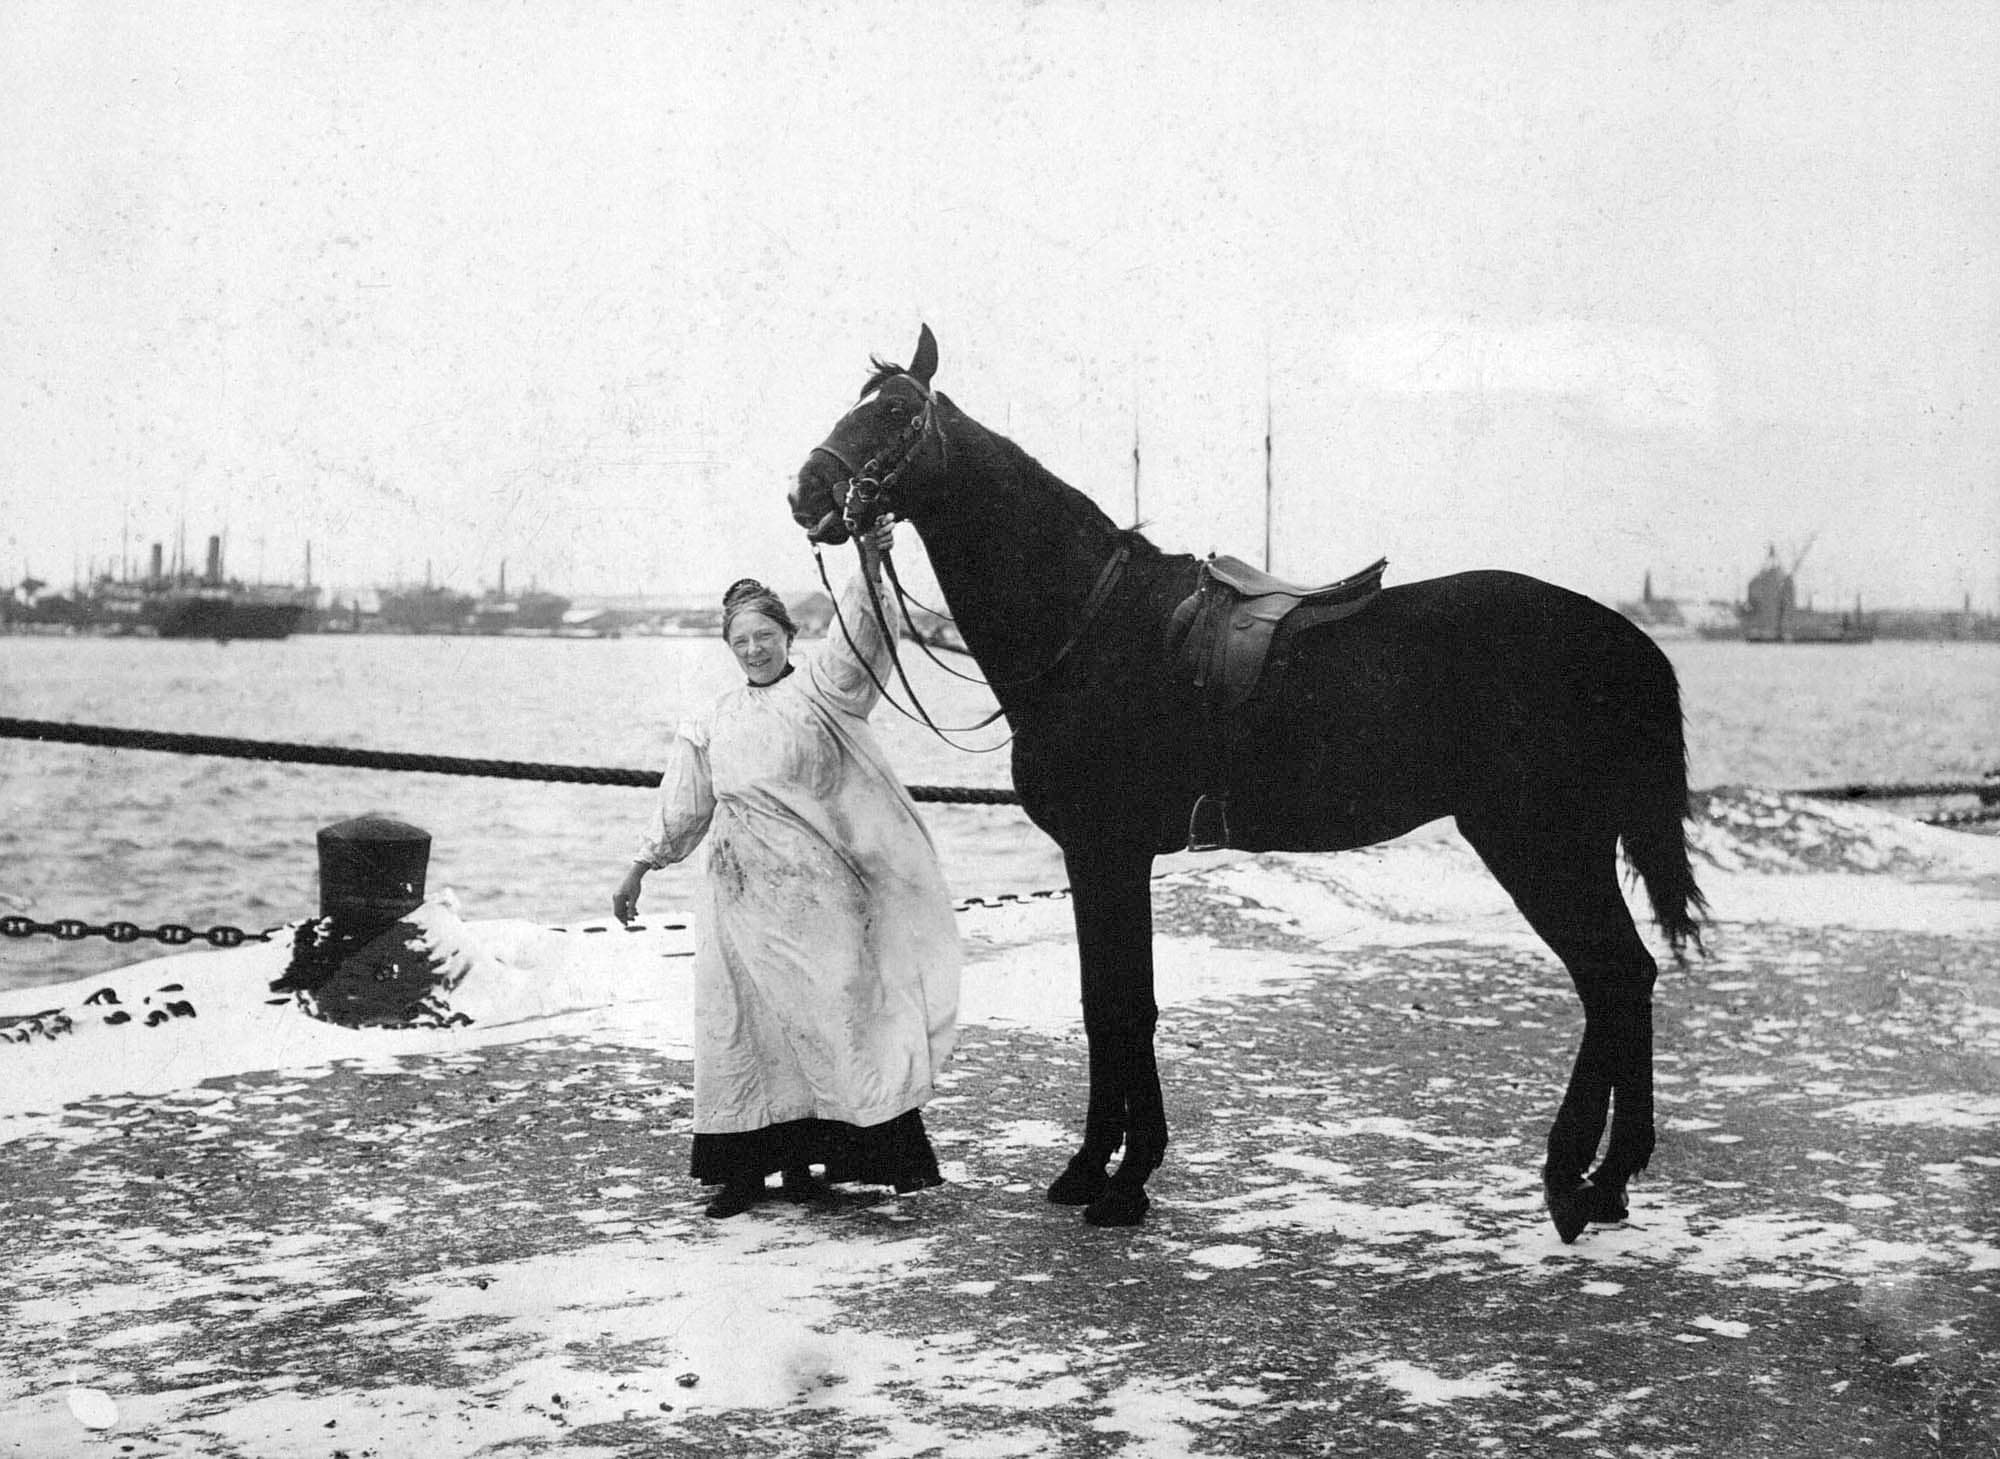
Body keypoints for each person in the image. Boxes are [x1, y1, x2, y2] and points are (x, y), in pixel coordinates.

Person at [612, 518, 962, 1218]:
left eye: (763, 636)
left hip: (819, 896)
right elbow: (685, 806)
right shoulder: (710, 718)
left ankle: (835, 1158)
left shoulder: (826, 694)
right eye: (740, 642)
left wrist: (866, 560)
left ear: (787, 636)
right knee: (743, 1028)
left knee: (834, 1014)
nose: (752, 649)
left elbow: (861, 632)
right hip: (738, 898)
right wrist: (640, 866)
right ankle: (749, 1175)